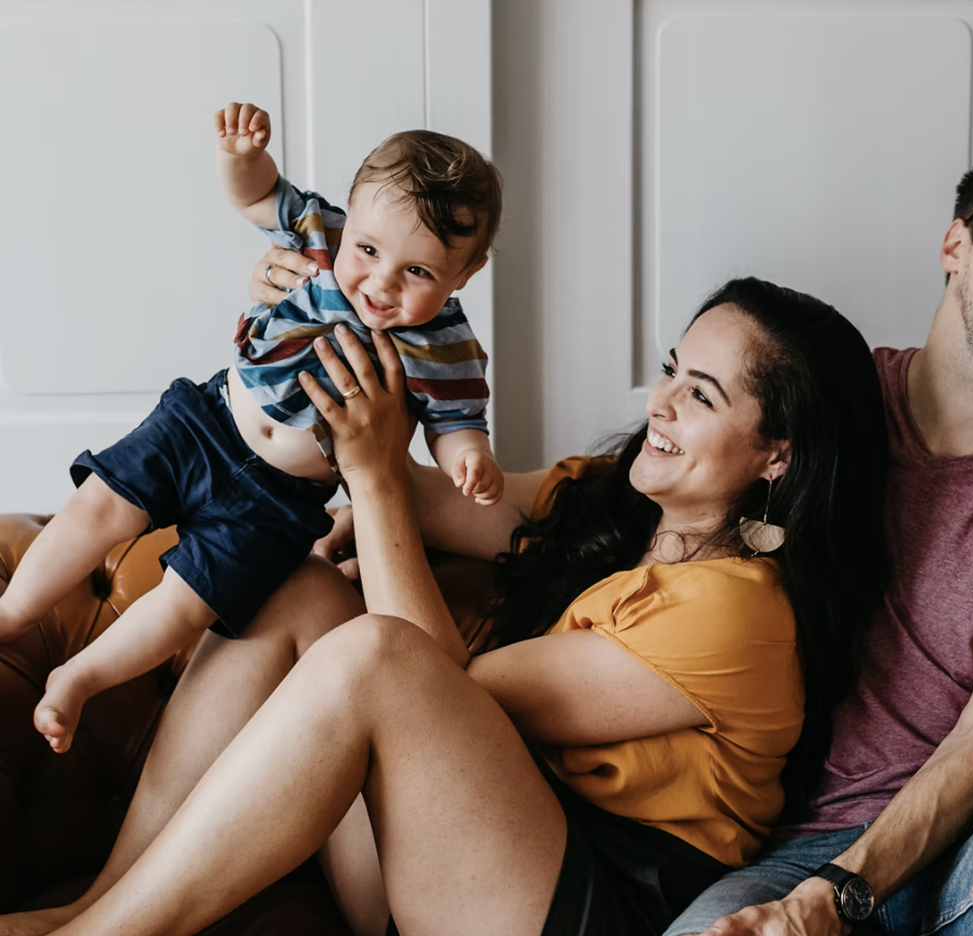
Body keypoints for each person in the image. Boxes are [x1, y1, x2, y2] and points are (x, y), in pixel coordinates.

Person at [0, 278, 890, 936]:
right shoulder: (613, 501)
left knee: (381, 658)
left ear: (779, 455)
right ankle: (103, 901)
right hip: (444, 861)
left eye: (701, 395)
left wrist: (377, 474)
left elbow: (441, 684)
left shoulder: (741, 613)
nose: (657, 403)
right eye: (671, 369)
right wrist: (324, 323)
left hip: (580, 904)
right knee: (294, 579)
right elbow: (423, 488)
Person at [665, 125, 973, 936]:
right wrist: (384, 481)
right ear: (955, 244)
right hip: (781, 854)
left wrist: (839, 894)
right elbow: (620, 481)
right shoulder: (832, 398)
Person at [0, 102, 503, 755]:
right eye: (369, 249)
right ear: (348, 215)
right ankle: (13, 612)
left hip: (279, 502)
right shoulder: (322, 235)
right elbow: (261, 196)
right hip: (206, 424)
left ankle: (79, 677)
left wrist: (470, 455)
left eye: (419, 272)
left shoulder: (447, 346)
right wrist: (240, 159)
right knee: (99, 505)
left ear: (466, 274)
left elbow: (456, 417)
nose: (380, 282)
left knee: (187, 601)